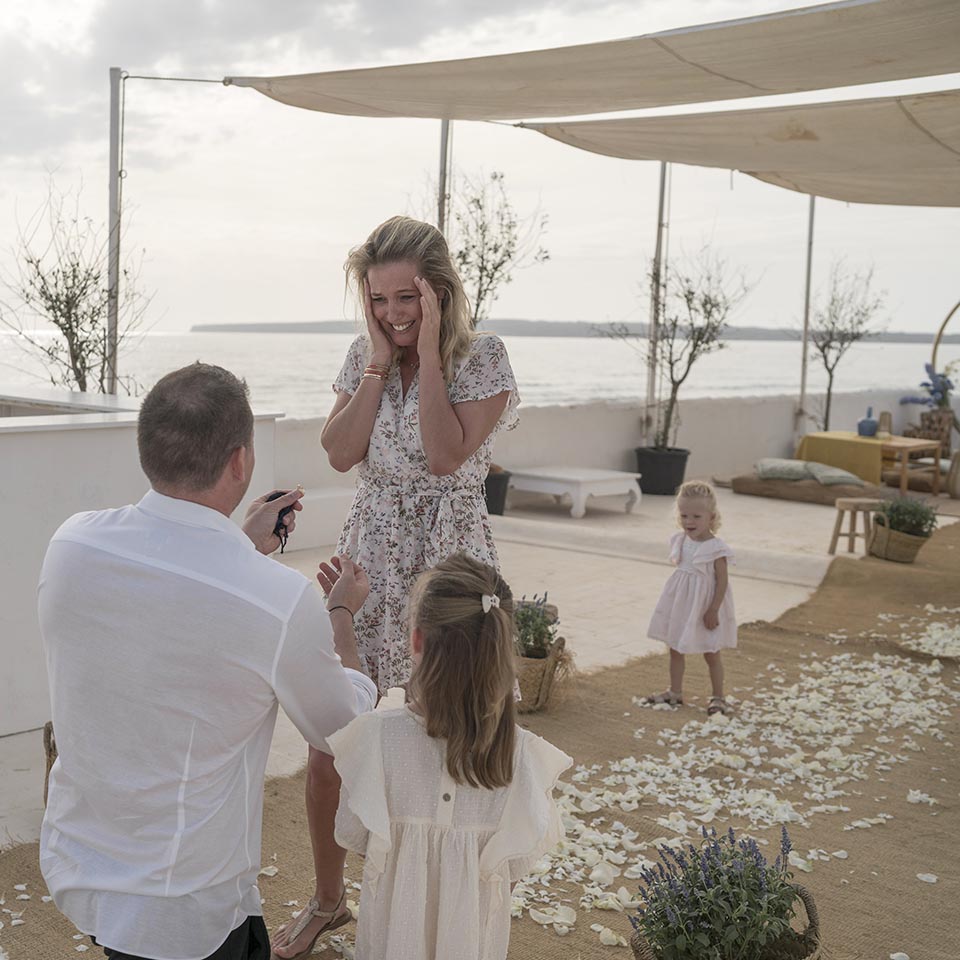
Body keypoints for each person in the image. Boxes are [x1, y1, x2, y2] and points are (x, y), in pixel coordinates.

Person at [38, 362, 377, 960]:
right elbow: (343, 732)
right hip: (182, 906)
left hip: (81, 864)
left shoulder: (71, 544)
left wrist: (236, 544)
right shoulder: (275, 598)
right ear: (240, 462)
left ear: (146, 448)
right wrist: (342, 617)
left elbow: (171, 607)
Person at [271, 216, 519, 959]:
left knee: (442, 735)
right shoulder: (364, 355)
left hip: (448, 560)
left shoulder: (484, 358)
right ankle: (328, 899)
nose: (392, 313)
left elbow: (444, 456)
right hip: (369, 557)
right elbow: (340, 451)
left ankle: (432, 906)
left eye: (406, 297)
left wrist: (431, 351)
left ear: (439, 291)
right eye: (378, 300)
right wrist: (379, 363)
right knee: (332, 736)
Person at [327, 553, 572, 960]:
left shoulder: (377, 739)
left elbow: (358, 840)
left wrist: (340, 613)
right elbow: (510, 871)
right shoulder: (522, 758)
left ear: (416, 640)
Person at [644, 480, 736, 716]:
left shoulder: (716, 548)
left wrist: (713, 609)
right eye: (684, 515)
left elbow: (722, 582)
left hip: (705, 606)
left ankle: (718, 697)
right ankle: (675, 692)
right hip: (682, 604)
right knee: (675, 647)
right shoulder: (680, 540)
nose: (689, 521)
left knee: (711, 651)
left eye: (696, 516)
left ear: (711, 517)